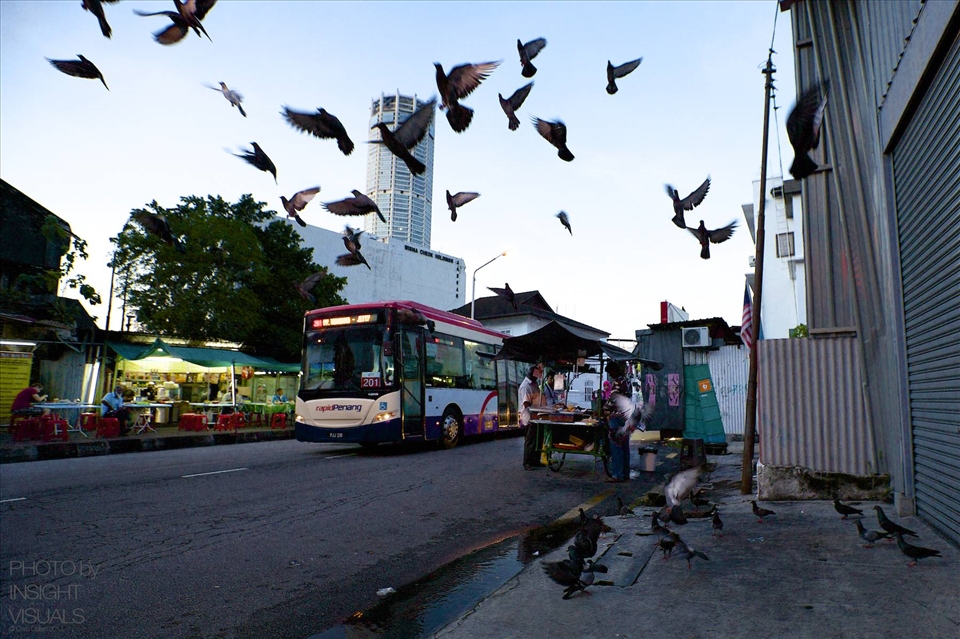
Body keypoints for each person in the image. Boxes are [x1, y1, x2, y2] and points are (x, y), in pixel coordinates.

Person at [603, 361, 631, 483]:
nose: (610, 375)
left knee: (616, 446)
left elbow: (612, 400)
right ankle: (625, 473)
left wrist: (604, 409)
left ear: (614, 371)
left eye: (609, 372)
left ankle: (617, 474)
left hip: (617, 417)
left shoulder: (617, 383)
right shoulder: (626, 381)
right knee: (624, 446)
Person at [520, 363, 544, 470]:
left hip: (538, 416)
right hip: (530, 417)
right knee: (530, 441)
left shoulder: (534, 384)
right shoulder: (526, 386)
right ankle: (527, 462)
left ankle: (535, 460)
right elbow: (526, 403)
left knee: (538, 439)